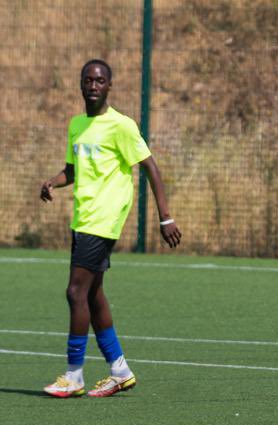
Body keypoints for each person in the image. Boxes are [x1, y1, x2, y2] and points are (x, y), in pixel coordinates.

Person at [39, 59, 181, 398]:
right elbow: (73, 170)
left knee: (75, 292)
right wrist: (53, 182)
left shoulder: (121, 125)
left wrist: (165, 217)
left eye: (99, 80)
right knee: (92, 294)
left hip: (103, 219)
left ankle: (74, 376)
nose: (93, 85)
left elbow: (150, 167)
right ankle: (120, 371)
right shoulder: (76, 125)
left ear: (109, 86)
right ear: (80, 84)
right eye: (88, 80)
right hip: (83, 217)